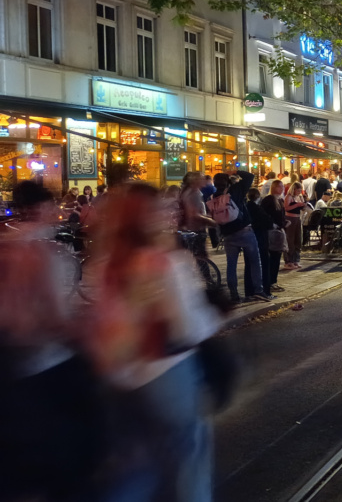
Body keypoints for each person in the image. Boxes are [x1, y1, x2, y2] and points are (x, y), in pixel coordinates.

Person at [85, 182, 221, 500]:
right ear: (148, 217)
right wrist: (213, 315)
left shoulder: (105, 264)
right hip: (168, 374)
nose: (167, 213)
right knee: (190, 458)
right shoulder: (164, 263)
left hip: (120, 377)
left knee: (137, 467)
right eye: (160, 208)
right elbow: (188, 327)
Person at [0, 181, 107, 501]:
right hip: (49, 365)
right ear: (44, 208)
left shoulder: (5, 244)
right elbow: (55, 316)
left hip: (9, 363)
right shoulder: (40, 253)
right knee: (76, 457)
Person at [208, 169, 271, 303]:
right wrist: (235, 171)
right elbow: (249, 176)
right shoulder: (235, 191)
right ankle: (258, 291)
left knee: (231, 265)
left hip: (228, 234)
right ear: (228, 182)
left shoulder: (213, 198)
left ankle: (234, 294)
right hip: (244, 231)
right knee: (255, 261)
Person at [259, 179, 287, 293]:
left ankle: (273, 281)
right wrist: (273, 224)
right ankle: (270, 282)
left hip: (278, 230)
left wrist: (284, 222)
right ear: (275, 187)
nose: (282, 189)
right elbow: (264, 215)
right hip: (272, 231)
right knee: (273, 258)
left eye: (282, 187)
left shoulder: (279, 200)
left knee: (276, 257)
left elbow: (280, 215)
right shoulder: (269, 200)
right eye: (280, 187)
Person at [282, 181, 309, 270]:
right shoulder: (289, 197)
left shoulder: (299, 197)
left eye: (300, 190)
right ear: (293, 190)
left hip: (298, 218)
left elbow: (303, 208)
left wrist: (304, 204)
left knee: (298, 239)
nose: (299, 192)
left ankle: (295, 260)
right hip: (290, 218)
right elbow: (286, 208)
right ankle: (289, 261)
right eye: (297, 190)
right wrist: (297, 205)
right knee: (290, 239)